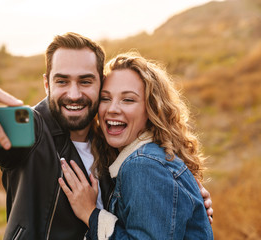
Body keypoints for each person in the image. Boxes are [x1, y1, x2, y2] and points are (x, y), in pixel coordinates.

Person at [0, 33, 213, 240]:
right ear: (47, 83)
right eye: (61, 81)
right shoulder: (32, 127)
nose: (73, 93)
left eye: (85, 81)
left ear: (99, 84)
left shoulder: (114, 142)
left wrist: (184, 204)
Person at [58, 53, 214, 239]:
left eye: (128, 100)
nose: (112, 109)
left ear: (151, 109)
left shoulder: (143, 165)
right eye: (105, 98)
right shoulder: (144, 158)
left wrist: (90, 214)